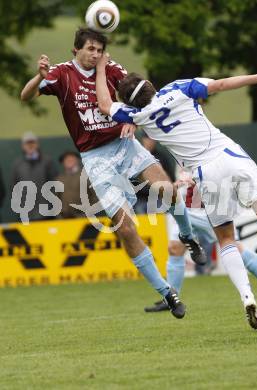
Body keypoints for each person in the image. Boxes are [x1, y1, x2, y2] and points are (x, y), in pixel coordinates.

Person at [96, 57, 257, 330]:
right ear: (149, 84)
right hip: (229, 155)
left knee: (226, 239)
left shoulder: (136, 116)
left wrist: (101, 68)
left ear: (129, 102)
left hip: (205, 174)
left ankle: (247, 297)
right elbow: (220, 84)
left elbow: (104, 104)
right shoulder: (179, 88)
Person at [20, 28, 208, 319]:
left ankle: (188, 235)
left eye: (99, 50)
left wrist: (133, 118)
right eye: (90, 49)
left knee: (167, 191)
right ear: (76, 51)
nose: (95, 55)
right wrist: (39, 75)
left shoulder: (112, 68)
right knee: (124, 227)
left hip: (124, 145)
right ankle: (166, 292)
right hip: (96, 160)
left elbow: (144, 95)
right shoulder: (61, 74)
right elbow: (25, 96)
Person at [145, 184, 257, 313]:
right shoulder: (182, 158)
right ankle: (171, 298)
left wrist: (193, 179)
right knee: (174, 248)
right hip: (187, 209)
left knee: (233, 246)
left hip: (209, 210)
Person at [12, 132, 58, 221]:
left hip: (47, 213)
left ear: (37, 144)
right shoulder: (17, 165)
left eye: (32, 142)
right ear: (23, 146)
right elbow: (14, 188)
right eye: (27, 143)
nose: (30, 145)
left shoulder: (47, 162)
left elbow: (55, 184)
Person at [56, 151, 87, 218]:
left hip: (84, 217)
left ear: (77, 160)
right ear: (63, 163)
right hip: (65, 218)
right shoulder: (59, 179)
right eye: (66, 159)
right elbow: (56, 198)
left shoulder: (86, 176)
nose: (69, 160)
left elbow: (94, 197)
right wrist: (59, 214)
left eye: (71, 158)